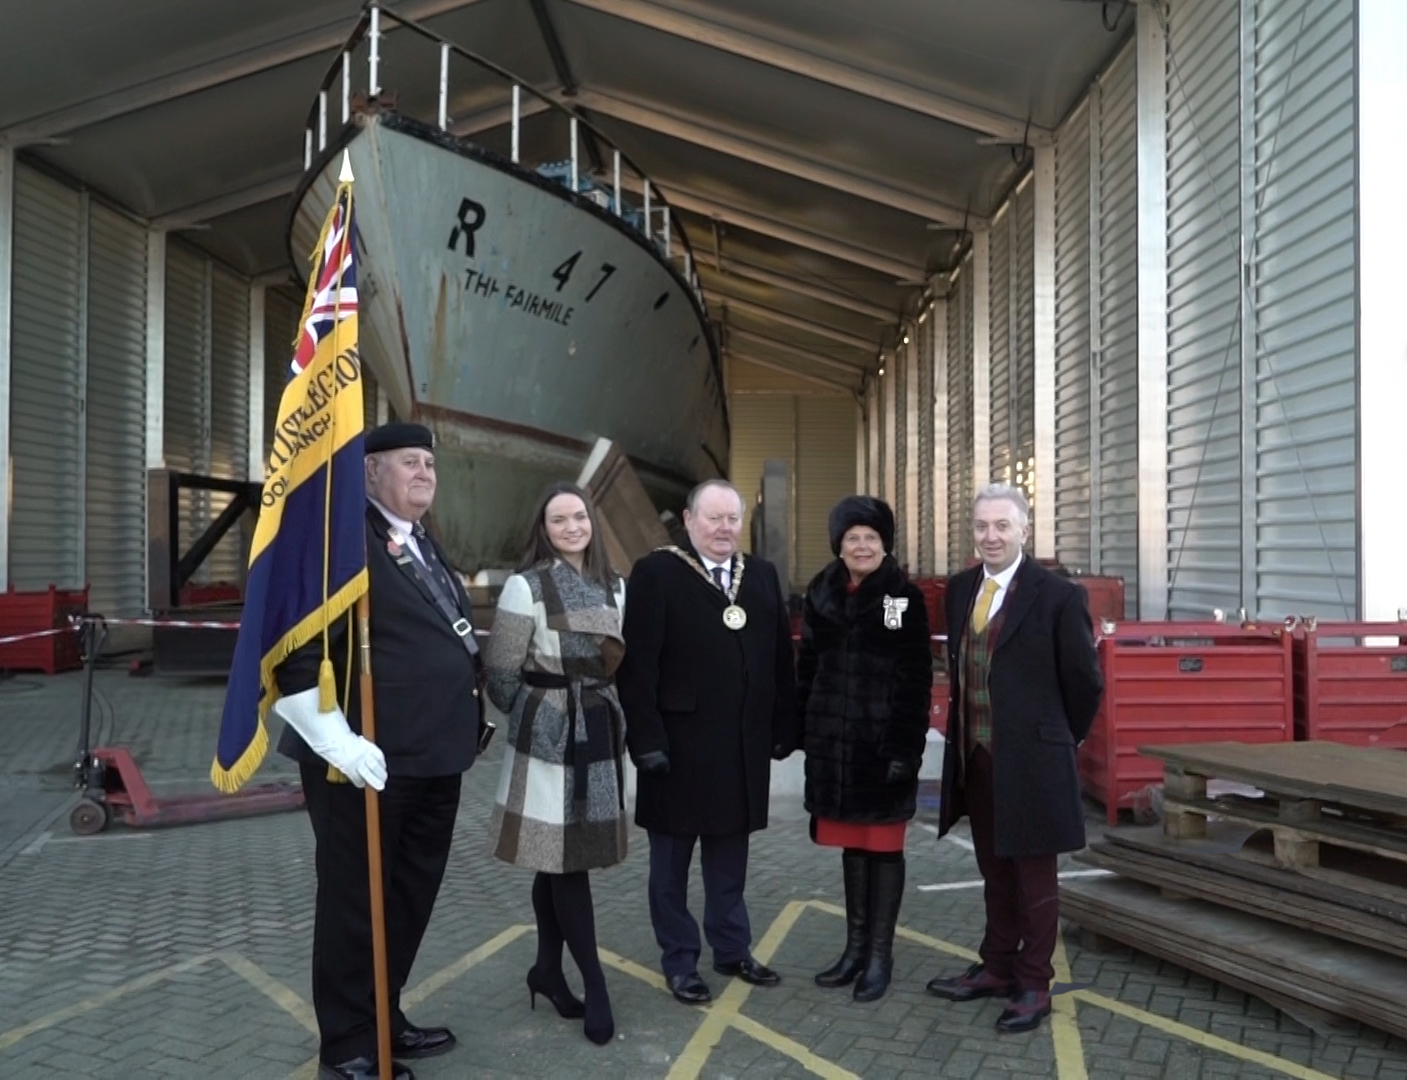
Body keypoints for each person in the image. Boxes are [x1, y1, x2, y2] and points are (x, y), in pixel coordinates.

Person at [274, 421, 481, 1080]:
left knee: (406, 898)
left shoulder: (420, 541)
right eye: (408, 463)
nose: (424, 472)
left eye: (429, 463)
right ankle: (349, 1046)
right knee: (354, 905)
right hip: (360, 763)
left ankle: (383, 1019)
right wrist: (336, 740)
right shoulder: (341, 542)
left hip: (432, 758)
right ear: (369, 473)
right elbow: (295, 647)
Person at [925, 483, 1103, 1034]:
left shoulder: (1057, 596)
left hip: (1033, 759)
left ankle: (1033, 982)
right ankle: (997, 967)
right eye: (981, 527)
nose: (991, 536)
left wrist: (1058, 740)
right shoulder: (959, 590)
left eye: (1002, 526)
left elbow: (1085, 683)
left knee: (1034, 877)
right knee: (993, 870)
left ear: (1025, 530)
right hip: (976, 755)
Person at [616, 479, 797, 1005]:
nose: (724, 528)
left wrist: (786, 726)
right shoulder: (657, 573)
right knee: (670, 869)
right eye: (713, 518)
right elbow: (638, 665)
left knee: (729, 862)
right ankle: (680, 961)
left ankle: (732, 948)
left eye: (732, 519)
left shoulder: (760, 575)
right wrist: (644, 738)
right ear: (690, 521)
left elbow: (780, 659)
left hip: (740, 749)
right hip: (676, 749)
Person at [483, 482, 628, 1047]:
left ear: (593, 521)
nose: (571, 527)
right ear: (542, 529)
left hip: (598, 726)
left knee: (560, 854)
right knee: (567, 861)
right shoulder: (528, 585)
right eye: (558, 520)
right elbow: (500, 671)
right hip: (548, 735)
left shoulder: (616, 585)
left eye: (579, 517)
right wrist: (540, 715)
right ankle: (595, 982)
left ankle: (546, 968)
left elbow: (619, 664)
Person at [797, 496, 932, 1003]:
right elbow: (806, 665)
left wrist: (904, 749)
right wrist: (799, 727)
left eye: (871, 538)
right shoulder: (820, 591)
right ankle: (854, 949)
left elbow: (915, 678)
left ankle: (880, 955)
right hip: (835, 749)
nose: (861, 546)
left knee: (884, 847)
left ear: (885, 545)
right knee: (853, 847)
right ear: (839, 544)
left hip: (880, 750)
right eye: (852, 538)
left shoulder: (899, 598)